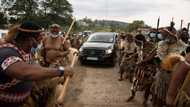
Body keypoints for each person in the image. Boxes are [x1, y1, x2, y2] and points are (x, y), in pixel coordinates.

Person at [0, 21, 73, 107]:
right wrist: (61, 71)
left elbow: (34, 68)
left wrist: (33, 84)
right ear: (31, 39)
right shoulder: (7, 52)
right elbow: (24, 72)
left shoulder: (26, 52)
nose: (42, 38)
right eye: (40, 36)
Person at [127, 34, 157, 106]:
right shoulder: (140, 46)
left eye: (136, 41)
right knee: (135, 82)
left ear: (141, 41)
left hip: (149, 68)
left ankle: (145, 100)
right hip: (140, 68)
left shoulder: (151, 45)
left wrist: (143, 61)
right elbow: (138, 53)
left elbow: (152, 56)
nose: (135, 43)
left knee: (148, 85)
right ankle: (132, 95)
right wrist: (131, 56)